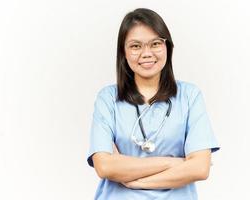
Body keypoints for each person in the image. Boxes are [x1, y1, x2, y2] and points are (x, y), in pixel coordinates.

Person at [87, 8, 220, 200]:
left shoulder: (190, 96)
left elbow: (200, 168)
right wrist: (175, 163)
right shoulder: (108, 99)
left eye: (155, 43)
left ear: (168, 47)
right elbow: (105, 166)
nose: (146, 53)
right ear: (123, 52)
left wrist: (134, 181)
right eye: (135, 46)